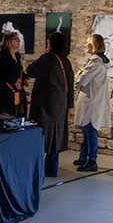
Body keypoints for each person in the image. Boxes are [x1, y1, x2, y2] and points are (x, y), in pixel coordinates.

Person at [27, 31, 74, 177]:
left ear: (51, 44)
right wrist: (69, 105)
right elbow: (70, 85)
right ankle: (51, 168)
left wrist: (43, 55)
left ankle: (36, 168)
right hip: (60, 102)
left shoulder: (46, 59)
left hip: (44, 102)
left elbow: (30, 71)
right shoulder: (65, 61)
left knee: (40, 134)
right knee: (56, 136)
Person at [73, 34, 110, 173]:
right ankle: (83, 157)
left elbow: (80, 81)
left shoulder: (95, 63)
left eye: (87, 43)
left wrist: (79, 74)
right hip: (92, 100)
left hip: (91, 102)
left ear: (94, 45)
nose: (85, 45)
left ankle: (92, 161)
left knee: (90, 131)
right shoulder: (99, 62)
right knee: (86, 131)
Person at [0, 31, 27, 117]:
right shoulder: (3, 56)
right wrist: (13, 80)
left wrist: (24, 78)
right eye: (16, 39)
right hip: (4, 95)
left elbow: (17, 71)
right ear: (9, 41)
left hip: (14, 94)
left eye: (19, 39)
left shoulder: (17, 57)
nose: (18, 41)